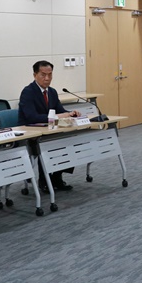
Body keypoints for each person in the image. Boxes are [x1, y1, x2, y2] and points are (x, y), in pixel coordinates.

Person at [18, 60, 81, 192]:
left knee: (69, 141)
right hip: (31, 133)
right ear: (35, 75)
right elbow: (31, 117)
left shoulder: (52, 92)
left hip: (50, 130)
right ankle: (44, 181)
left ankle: (57, 177)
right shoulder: (28, 92)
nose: (47, 78)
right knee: (47, 145)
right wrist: (58, 116)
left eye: (50, 74)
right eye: (43, 75)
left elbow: (60, 110)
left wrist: (71, 114)